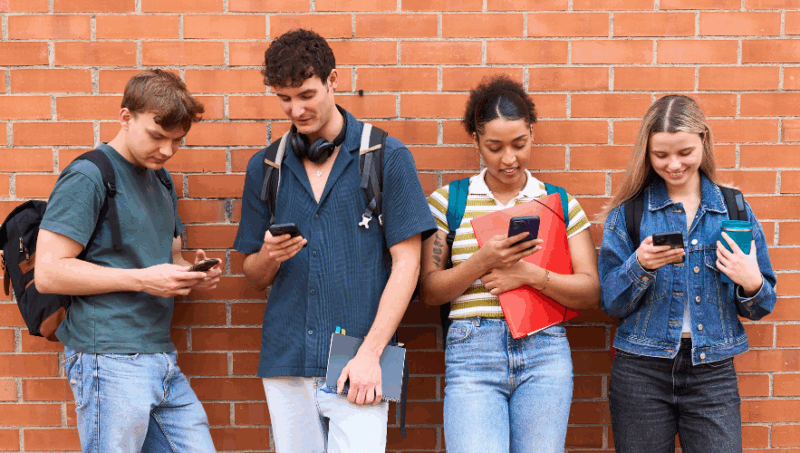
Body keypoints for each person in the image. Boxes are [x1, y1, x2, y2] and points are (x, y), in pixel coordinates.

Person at [233, 28, 436, 452]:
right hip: (286, 357)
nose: (296, 109)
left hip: (362, 356)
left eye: (306, 94)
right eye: (284, 99)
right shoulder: (264, 166)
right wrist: (269, 257)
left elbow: (408, 265)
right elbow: (251, 274)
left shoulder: (386, 156)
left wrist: (370, 353)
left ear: (333, 80)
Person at [35, 70, 222, 452]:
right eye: (157, 136)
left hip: (160, 358)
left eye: (177, 141)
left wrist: (190, 273)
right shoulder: (90, 175)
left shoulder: (162, 180)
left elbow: (168, 257)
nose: (167, 150)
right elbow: (49, 272)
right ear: (125, 118)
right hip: (109, 359)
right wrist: (142, 280)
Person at [419, 75, 601, 453]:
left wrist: (530, 275)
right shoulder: (447, 202)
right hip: (473, 354)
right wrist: (482, 261)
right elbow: (430, 291)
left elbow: (589, 291)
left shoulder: (558, 203)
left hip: (544, 353)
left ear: (532, 133)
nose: (509, 159)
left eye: (520, 144)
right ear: (476, 142)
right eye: (494, 147)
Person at [598, 95, 777, 453]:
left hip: (712, 371)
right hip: (641, 370)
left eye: (684, 152)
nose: (674, 164)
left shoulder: (734, 209)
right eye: (660, 155)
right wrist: (640, 265)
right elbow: (610, 303)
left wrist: (751, 280)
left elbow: (762, 303)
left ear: (704, 142)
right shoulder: (629, 213)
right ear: (646, 152)